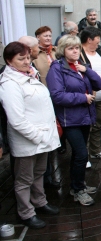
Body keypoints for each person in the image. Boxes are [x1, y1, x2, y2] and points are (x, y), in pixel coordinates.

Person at [0, 42, 61, 229]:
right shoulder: (9, 83)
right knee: (24, 178)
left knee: (39, 173)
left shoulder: (30, 75)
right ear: (9, 61)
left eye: (28, 57)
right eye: (21, 59)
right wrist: (38, 136)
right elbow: (16, 120)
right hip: (28, 140)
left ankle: (40, 202)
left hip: (43, 137)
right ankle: (25, 212)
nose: (27, 61)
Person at [46, 35, 101, 206]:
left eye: (77, 48)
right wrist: (82, 98)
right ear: (63, 50)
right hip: (70, 119)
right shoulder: (57, 68)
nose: (75, 51)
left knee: (79, 154)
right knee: (82, 154)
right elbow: (57, 95)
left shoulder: (80, 66)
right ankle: (78, 190)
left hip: (84, 117)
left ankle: (77, 185)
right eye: (71, 48)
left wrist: (88, 71)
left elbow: (98, 85)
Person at [80, 27, 101, 160]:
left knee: (98, 125)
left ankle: (95, 150)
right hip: (88, 98)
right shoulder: (79, 54)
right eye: (97, 40)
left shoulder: (99, 53)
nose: (99, 43)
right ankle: (83, 155)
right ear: (89, 40)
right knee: (86, 127)